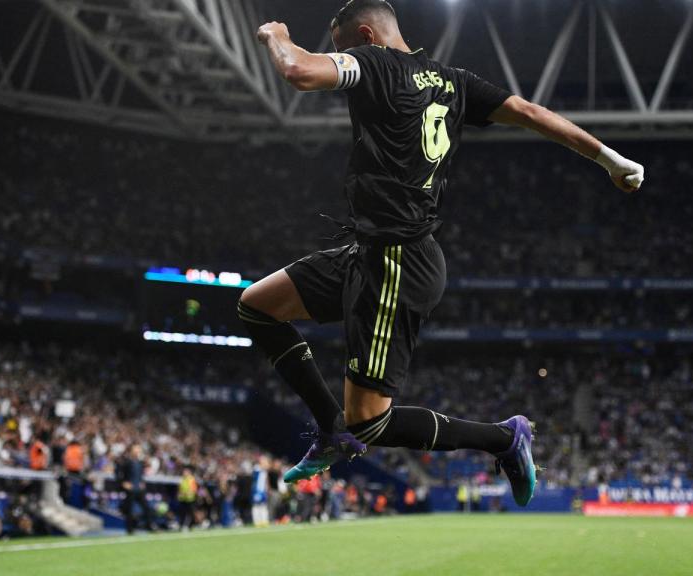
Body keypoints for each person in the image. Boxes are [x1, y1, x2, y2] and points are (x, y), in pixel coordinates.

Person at [242, 0, 644, 507]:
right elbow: (530, 113)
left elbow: (299, 69)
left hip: (396, 260)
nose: (341, 63)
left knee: (371, 423)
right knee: (257, 305)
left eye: (341, 49)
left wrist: (275, 34)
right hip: (369, 249)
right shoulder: (452, 80)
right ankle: (329, 430)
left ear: (366, 36)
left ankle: (503, 439)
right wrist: (610, 160)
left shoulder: (375, 63)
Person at [115, 443, 154, 534]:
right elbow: (118, 473)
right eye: (136, 449)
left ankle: (149, 526)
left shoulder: (140, 463)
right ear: (131, 451)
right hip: (130, 489)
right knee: (129, 510)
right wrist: (123, 483)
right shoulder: (126, 462)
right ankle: (130, 529)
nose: (138, 451)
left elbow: (141, 475)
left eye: (139, 449)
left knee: (147, 508)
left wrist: (142, 482)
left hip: (139, 489)